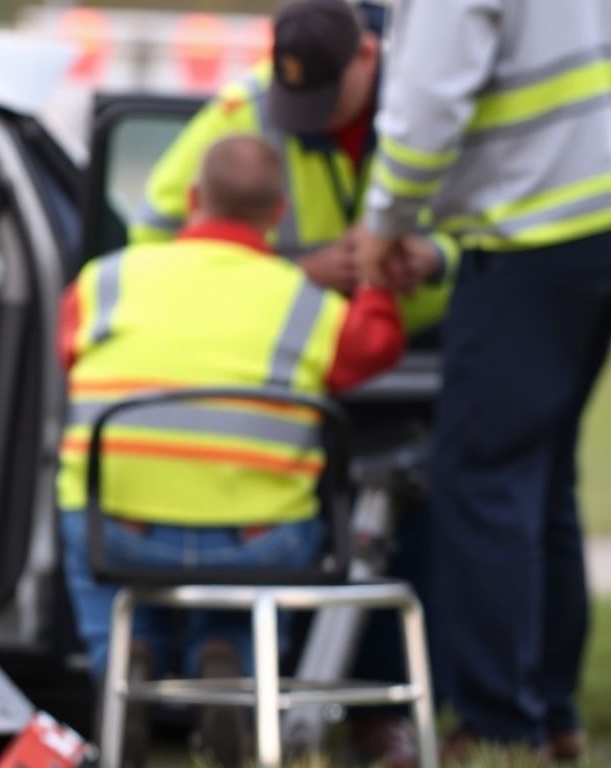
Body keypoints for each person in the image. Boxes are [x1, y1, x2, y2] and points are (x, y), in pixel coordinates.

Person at [57, 135, 405, 762]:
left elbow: (66, 350)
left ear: (192, 199)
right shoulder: (304, 303)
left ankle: (126, 664)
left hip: (124, 535)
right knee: (245, 571)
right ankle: (234, 670)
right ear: (276, 216)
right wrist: (374, 273)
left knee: (89, 507)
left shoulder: (104, 283)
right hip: (256, 543)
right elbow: (374, 347)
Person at [355, 0, 611, 761]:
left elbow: (430, 99)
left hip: (531, 233)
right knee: (541, 474)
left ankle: (502, 724)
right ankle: (552, 709)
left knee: (481, 478)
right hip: (593, 223)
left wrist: (386, 222)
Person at [132, 0, 455, 334]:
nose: (309, 117)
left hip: (424, 350)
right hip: (287, 347)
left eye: (326, 98)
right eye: (294, 99)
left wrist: (435, 259)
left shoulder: (431, 109)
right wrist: (291, 276)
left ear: (367, 56)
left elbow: (491, 229)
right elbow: (152, 242)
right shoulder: (243, 112)